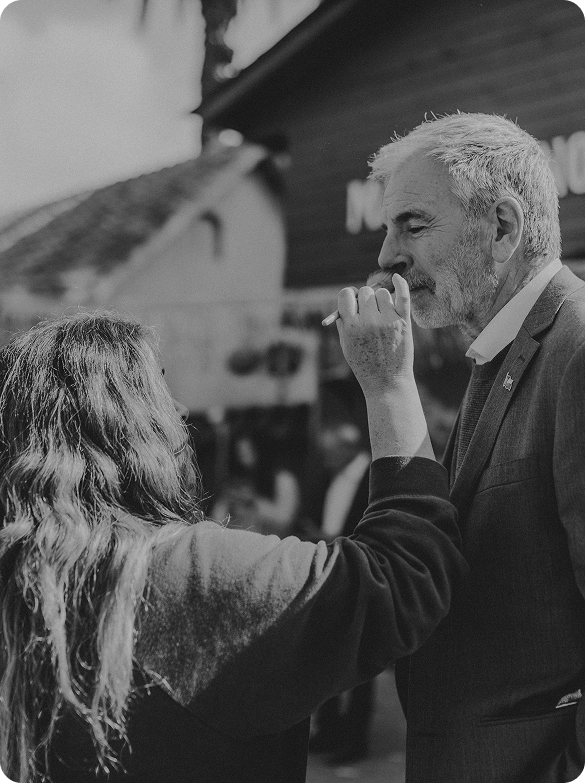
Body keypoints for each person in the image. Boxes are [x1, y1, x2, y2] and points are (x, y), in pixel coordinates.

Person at [0, 307, 466, 783]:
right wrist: (389, 384)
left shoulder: (20, 577)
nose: (181, 411)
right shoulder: (188, 573)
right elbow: (406, 573)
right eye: (158, 389)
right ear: (116, 424)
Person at [368, 111, 585, 783]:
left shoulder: (577, 348)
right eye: (385, 228)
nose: (386, 257)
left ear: (501, 227)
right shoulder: (499, 354)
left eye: (412, 224)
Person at [303, 421, 374, 764]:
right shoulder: (333, 474)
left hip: (359, 574)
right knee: (329, 653)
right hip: (330, 572)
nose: (325, 459)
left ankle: (354, 740)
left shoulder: (372, 477)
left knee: (360, 661)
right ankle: (330, 730)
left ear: (347, 449)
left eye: (330, 453)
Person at [210, 432, 301, 536]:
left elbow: (284, 520)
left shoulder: (283, 478)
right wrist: (226, 502)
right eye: (239, 453)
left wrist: (253, 501)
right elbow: (218, 521)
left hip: (277, 543)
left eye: (248, 451)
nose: (243, 459)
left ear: (260, 449)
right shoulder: (240, 480)